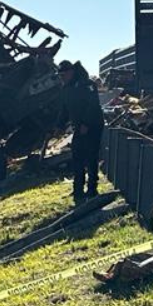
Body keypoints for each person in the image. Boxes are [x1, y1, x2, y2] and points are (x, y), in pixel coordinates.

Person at [56, 60, 105, 202]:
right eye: (60, 76)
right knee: (77, 156)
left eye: (64, 75)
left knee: (91, 157)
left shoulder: (87, 84)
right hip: (79, 127)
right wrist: (59, 126)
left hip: (93, 126)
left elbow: (93, 105)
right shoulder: (66, 88)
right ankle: (78, 189)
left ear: (71, 72)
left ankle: (92, 189)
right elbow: (64, 110)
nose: (62, 78)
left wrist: (86, 123)